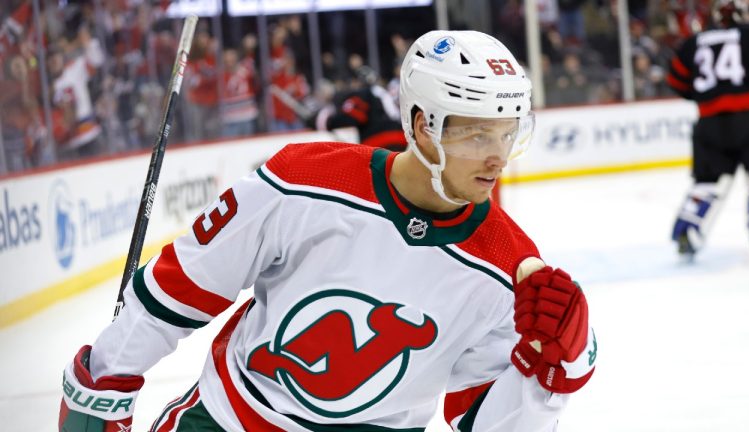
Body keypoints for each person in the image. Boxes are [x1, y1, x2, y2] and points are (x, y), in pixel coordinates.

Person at [59, 30, 596, 432]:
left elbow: (483, 422)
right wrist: (107, 376)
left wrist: (546, 378)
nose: (497, 155)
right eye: (475, 132)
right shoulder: (303, 179)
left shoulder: (512, 267)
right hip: (233, 422)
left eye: (507, 133)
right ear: (420, 126)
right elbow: (185, 283)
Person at [666, 0, 749, 256]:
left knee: (706, 182)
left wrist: (707, 96)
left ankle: (686, 229)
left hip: (709, 121)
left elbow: (675, 81)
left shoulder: (693, 42)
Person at [309, 65, 408, 151]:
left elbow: (354, 116)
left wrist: (328, 122)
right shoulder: (383, 92)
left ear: (356, 81)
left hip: (378, 141)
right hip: (401, 138)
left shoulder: (362, 94)